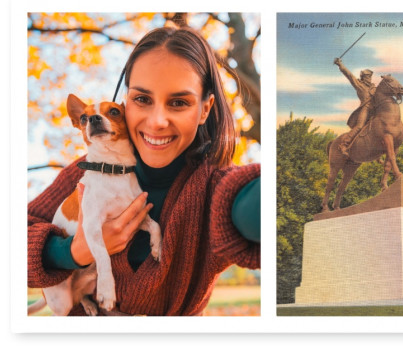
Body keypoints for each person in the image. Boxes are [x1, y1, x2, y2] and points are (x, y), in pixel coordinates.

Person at [27, 26, 260, 316]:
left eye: (178, 102)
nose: (156, 121)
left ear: (204, 109)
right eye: (142, 99)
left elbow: (252, 207)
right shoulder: (83, 172)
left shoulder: (214, 188)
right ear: (125, 103)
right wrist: (72, 252)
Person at [334, 57, 376, 157]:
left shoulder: (374, 88)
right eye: (367, 77)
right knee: (359, 126)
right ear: (363, 77)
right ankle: (344, 145)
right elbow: (349, 75)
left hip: (374, 110)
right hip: (365, 108)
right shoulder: (359, 85)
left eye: (370, 77)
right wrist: (340, 65)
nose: (369, 78)